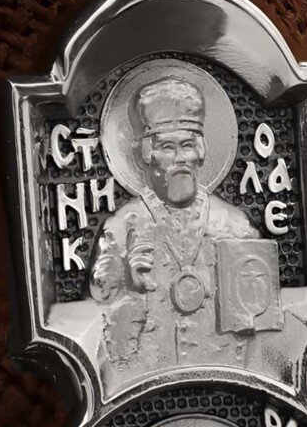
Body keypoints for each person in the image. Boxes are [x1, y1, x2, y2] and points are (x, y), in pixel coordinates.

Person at [90, 75, 261, 384]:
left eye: (187, 145)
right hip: (147, 377)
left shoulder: (233, 225)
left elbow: (257, 315)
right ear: (147, 155)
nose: (180, 158)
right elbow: (99, 304)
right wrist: (130, 286)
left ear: (201, 151)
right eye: (168, 147)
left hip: (223, 374)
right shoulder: (121, 227)